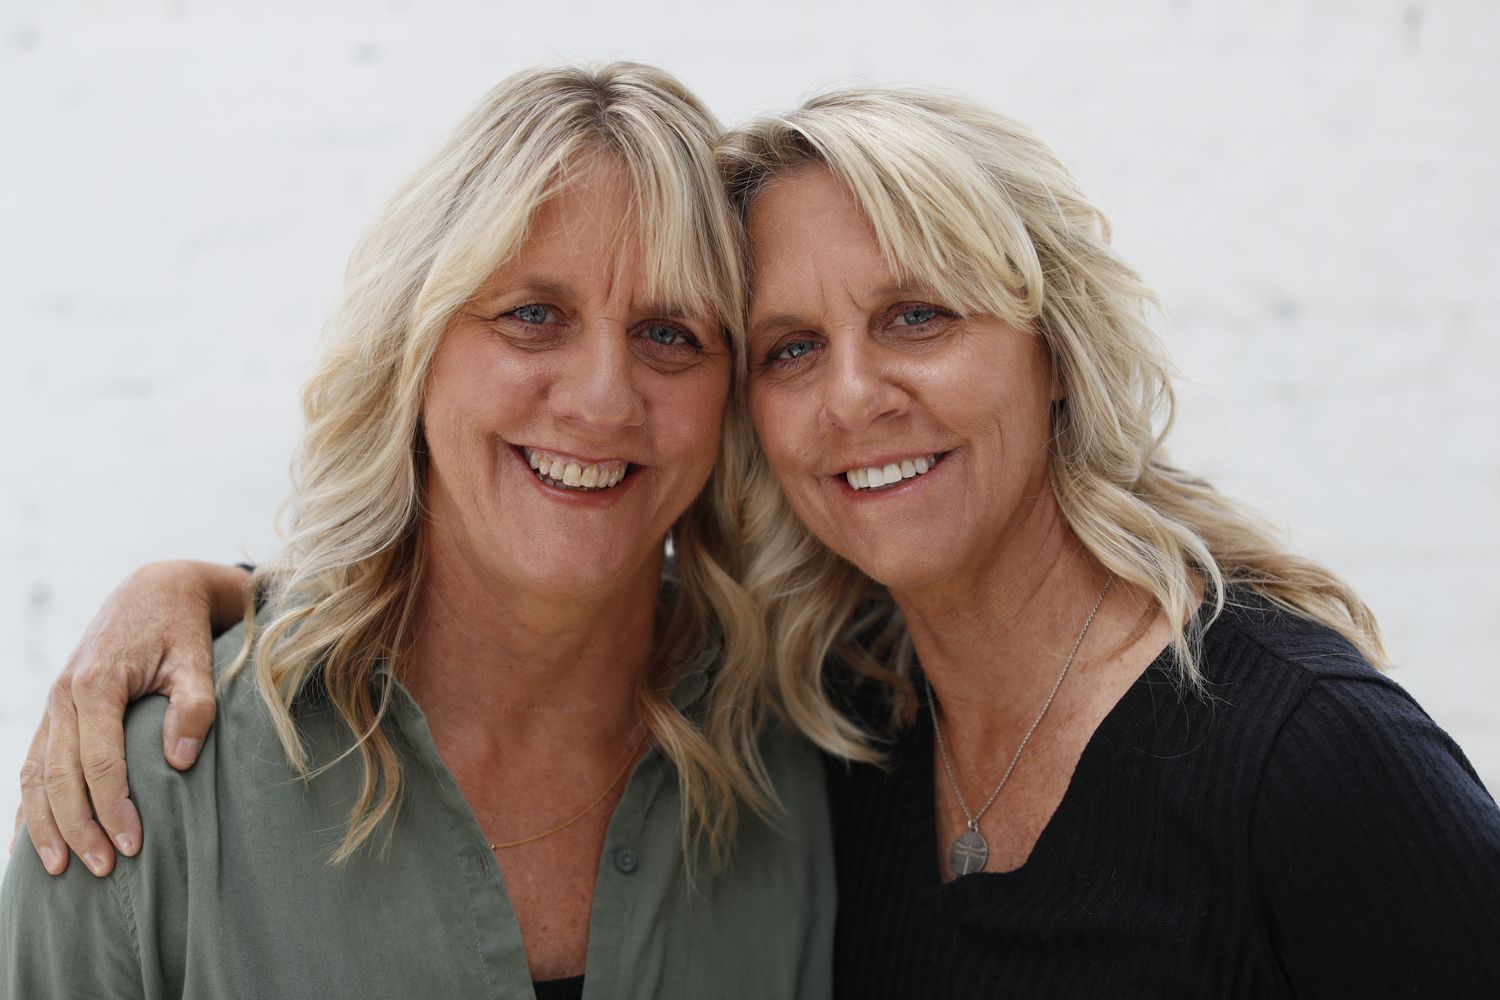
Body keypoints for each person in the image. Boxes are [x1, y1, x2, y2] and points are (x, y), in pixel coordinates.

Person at [18, 86, 1500, 996]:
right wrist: (207, 594)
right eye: (791, 346)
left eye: (917, 314)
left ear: (1053, 352)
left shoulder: (1295, 754)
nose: (855, 396)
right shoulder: (844, 726)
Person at [0, 63, 834, 1000]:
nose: (603, 401)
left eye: (671, 334)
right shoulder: (141, 800)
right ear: (416, 349)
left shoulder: (810, 765)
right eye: (532, 316)